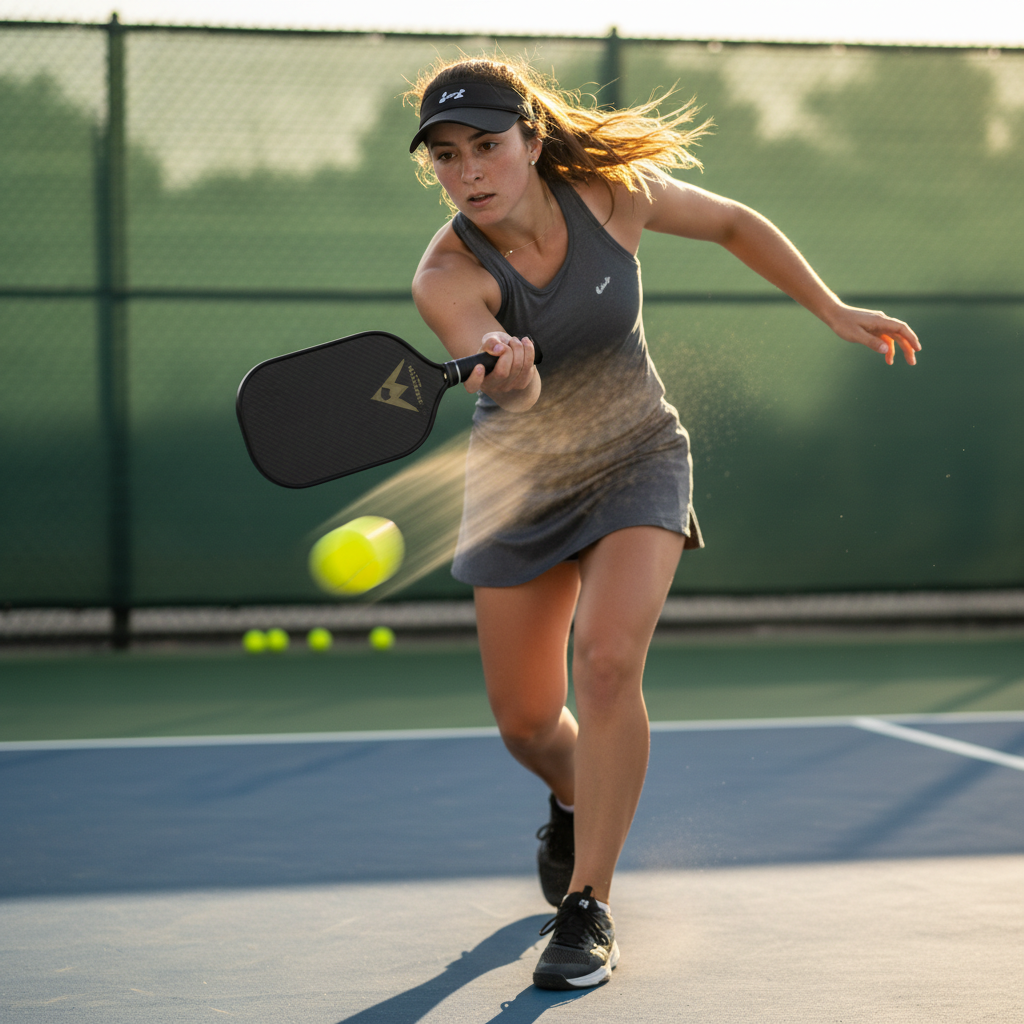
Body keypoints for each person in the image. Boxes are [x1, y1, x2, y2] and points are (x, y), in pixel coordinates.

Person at [407, 57, 920, 991]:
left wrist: (831, 306)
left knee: (606, 661)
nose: (469, 171)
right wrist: (507, 366)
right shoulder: (446, 273)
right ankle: (571, 792)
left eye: (487, 146)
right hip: (521, 479)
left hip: (638, 452)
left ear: (529, 140)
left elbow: (729, 222)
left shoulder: (609, 198)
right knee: (526, 721)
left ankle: (588, 906)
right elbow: (485, 352)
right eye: (447, 156)